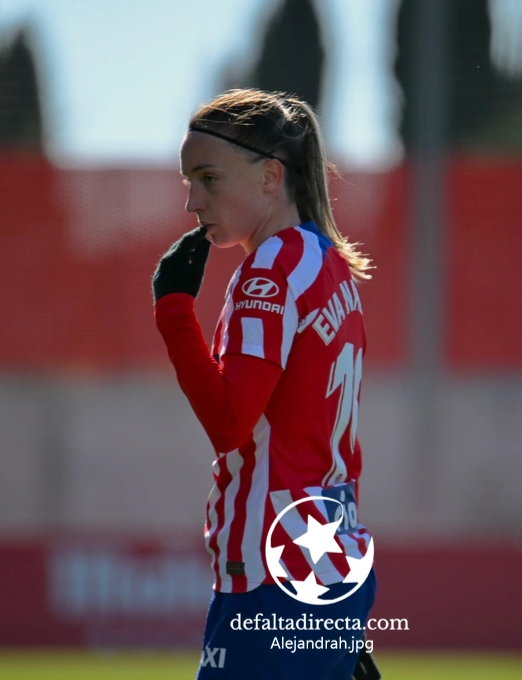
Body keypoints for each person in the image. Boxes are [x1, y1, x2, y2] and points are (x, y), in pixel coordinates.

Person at [152, 89, 379, 680]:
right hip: (328, 564)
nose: (191, 201)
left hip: (271, 577)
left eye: (207, 178)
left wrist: (174, 311)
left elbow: (231, 424)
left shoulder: (270, 271)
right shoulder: (332, 267)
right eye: (187, 180)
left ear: (270, 176)